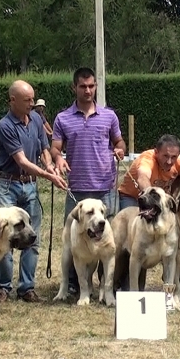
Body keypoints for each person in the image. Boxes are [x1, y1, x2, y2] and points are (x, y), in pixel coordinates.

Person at [51, 67, 126, 295]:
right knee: (76, 241)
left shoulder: (109, 116)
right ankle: (75, 285)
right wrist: (58, 160)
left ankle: (106, 287)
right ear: (74, 88)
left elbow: (120, 142)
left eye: (92, 86)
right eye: (83, 86)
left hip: (104, 188)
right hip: (76, 192)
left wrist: (120, 150)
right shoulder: (62, 118)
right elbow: (55, 148)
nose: (88, 91)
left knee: (106, 241)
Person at [0, 80, 67, 303]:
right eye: (27, 100)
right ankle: (3, 288)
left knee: (32, 237)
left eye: (33, 99)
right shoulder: (4, 126)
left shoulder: (35, 119)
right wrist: (48, 176)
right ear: (12, 101)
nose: (32, 104)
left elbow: (44, 148)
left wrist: (50, 165)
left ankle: (27, 288)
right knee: (5, 237)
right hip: (8, 184)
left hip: (30, 186)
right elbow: (22, 161)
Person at [118, 134, 180, 211]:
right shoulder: (147, 159)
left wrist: (173, 196)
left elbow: (179, 177)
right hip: (130, 197)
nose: (169, 162)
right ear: (156, 152)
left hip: (156, 199)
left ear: (179, 154)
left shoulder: (179, 163)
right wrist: (150, 197)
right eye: (165, 156)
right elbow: (143, 177)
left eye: (174, 157)